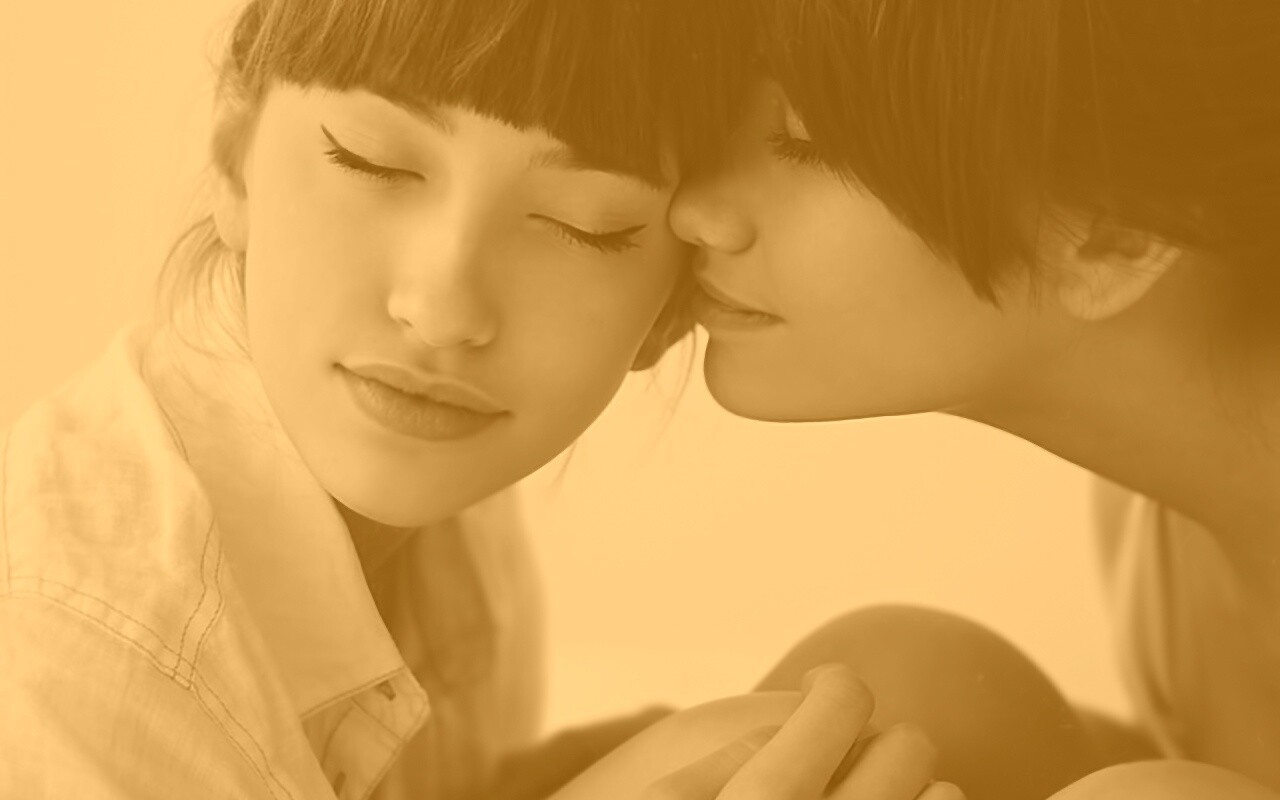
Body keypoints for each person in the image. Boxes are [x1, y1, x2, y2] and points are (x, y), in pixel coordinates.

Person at [0, 0, 960, 797]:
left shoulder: (437, 498)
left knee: (910, 689)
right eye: (374, 162)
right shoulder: (79, 666)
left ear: (671, 311)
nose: (442, 310)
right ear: (231, 161)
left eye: (583, 226)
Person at [668, 0, 1280, 797]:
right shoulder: (1171, 515)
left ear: (1115, 233)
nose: (694, 211)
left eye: (804, 140)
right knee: (908, 688)